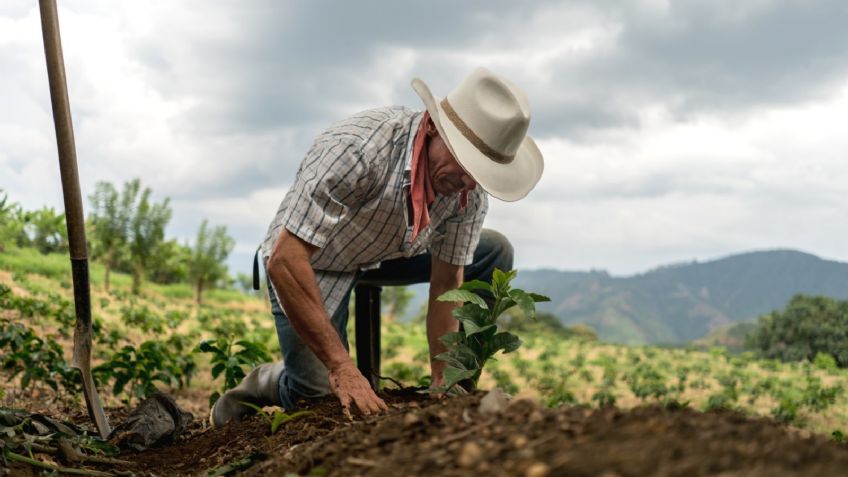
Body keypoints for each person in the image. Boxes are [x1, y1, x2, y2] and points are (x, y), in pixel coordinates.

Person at [211, 67, 544, 426]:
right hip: (314, 259)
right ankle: (268, 380)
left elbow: (448, 283)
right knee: (319, 398)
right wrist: (341, 367)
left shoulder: (467, 190)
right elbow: (286, 259)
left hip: (389, 251)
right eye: (464, 164)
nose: (467, 182)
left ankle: (458, 391)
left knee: (494, 250)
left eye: (479, 173)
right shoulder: (357, 149)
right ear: (433, 128)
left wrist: (443, 380)